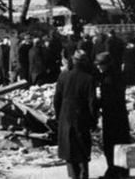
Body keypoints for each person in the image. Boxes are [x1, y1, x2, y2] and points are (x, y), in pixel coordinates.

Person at [53, 50, 99, 179]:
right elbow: (92, 102)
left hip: (65, 115)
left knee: (68, 146)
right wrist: (93, 120)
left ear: (73, 61)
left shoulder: (63, 76)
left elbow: (56, 99)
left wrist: (58, 116)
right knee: (82, 145)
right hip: (82, 115)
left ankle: (73, 175)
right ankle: (84, 174)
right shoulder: (89, 79)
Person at [96, 51, 132, 178]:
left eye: (101, 64)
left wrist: (97, 102)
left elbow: (109, 99)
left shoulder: (107, 78)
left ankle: (113, 171)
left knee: (111, 144)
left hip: (111, 115)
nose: (99, 67)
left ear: (106, 64)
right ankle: (122, 171)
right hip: (120, 115)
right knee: (121, 143)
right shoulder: (117, 74)